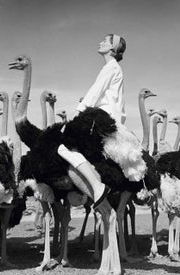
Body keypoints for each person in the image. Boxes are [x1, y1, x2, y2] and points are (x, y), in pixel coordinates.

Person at [57, 34, 126, 209]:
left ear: (112, 48)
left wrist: (76, 115)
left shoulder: (111, 68)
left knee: (62, 147)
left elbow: (94, 93)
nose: (100, 42)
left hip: (100, 119)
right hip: (106, 119)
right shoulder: (114, 68)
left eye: (105, 41)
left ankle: (96, 186)